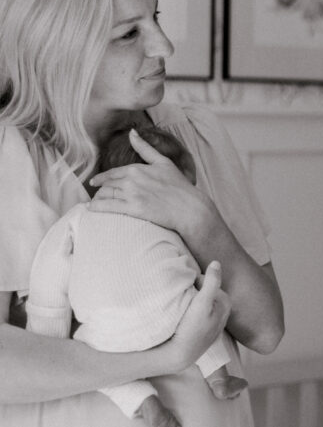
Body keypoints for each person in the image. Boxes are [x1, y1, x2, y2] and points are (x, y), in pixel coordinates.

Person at [0, 0, 285, 427]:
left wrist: (197, 217)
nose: (164, 47)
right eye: (129, 33)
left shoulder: (192, 134)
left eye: (156, 19)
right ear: (62, 45)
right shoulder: (12, 159)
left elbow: (266, 330)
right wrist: (164, 359)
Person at [27, 125, 250, 427]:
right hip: (170, 318)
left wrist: (47, 331)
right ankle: (218, 376)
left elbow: (50, 272)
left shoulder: (80, 216)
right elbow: (189, 266)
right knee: (199, 305)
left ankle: (145, 403)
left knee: (94, 365)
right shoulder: (169, 220)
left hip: (106, 335)